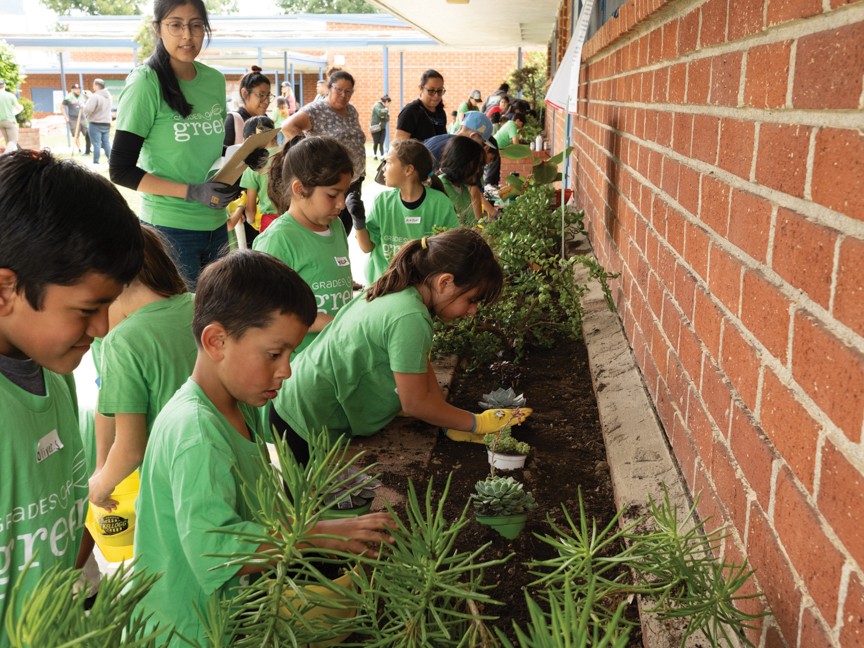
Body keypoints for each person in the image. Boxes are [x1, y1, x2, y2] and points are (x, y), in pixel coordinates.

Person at [133, 250, 394, 645]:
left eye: (290, 354)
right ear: (217, 341)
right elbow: (214, 549)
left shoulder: (236, 406)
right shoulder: (197, 432)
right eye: (274, 354)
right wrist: (318, 534)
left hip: (229, 612)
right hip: (191, 630)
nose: (286, 369)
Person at [0, 149, 144, 630]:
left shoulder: (53, 369)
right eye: (87, 310)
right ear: (5, 291)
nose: (102, 329)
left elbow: (68, 507)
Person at [269, 228, 533, 465]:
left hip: (300, 398)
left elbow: (418, 363)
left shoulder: (401, 291)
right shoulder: (410, 316)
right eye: (472, 299)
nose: (473, 311)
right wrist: (477, 422)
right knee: (307, 501)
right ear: (445, 282)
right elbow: (415, 403)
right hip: (305, 419)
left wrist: (448, 418)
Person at [109, 0, 263, 289]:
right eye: (176, 25)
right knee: (183, 315)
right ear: (158, 29)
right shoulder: (145, 83)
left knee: (217, 310)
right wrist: (191, 192)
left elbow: (209, 151)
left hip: (217, 225)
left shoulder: (213, 80)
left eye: (195, 25)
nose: (187, 35)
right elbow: (120, 170)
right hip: (169, 231)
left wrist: (243, 161)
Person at [88, 225, 196, 513]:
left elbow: (131, 449)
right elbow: (108, 400)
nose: (96, 326)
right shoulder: (202, 304)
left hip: (174, 485)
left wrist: (100, 486)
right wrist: (101, 465)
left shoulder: (122, 341)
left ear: (114, 288)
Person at [254, 136, 353, 354]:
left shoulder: (335, 226)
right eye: (332, 194)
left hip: (337, 355)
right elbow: (268, 312)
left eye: (344, 193)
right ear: (299, 189)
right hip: (301, 364)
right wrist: (335, 322)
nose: (341, 204)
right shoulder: (278, 240)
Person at [356, 138, 459, 285]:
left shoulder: (439, 203)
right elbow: (367, 248)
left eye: (389, 162)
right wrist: (358, 221)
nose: (383, 168)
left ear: (408, 170)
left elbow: (449, 250)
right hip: (381, 284)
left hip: (418, 285)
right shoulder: (382, 201)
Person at [279, 69, 366, 236]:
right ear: (329, 88)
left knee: (345, 227)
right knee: (327, 227)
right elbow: (288, 126)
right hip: (329, 182)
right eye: (339, 90)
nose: (343, 95)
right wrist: (309, 154)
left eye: (348, 91)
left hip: (353, 180)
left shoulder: (351, 111)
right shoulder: (317, 109)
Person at [235, 115, 278, 242]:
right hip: (297, 218)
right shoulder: (289, 154)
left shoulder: (254, 166)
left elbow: (251, 212)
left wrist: (250, 219)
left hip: (271, 224)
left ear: (251, 140)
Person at [438, 136, 486, 227]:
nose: (478, 170)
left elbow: (471, 223)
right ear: (462, 162)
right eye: (476, 164)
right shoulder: (441, 187)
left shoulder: (464, 189)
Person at [223, 66, 272, 149]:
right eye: (261, 95)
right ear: (244, 93)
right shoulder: (233, 120)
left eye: (268, 95)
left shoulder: (265, 121)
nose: (267, 101)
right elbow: (225, 155)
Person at [393, 69, 447, 142]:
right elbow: (399, 144)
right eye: (431, 91)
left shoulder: (440, 112)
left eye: (439, 91)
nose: (436, 95)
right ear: (421, 89)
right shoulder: (411, 111)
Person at [84, 78, 113, 165]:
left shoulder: (95, 96)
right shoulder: (109, 96)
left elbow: (88, 109)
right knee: (106, 142)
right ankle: (111, 160)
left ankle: (96, 161)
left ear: (97, 86)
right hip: (106, 122)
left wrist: (85, 103)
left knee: (96, 143)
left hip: (95, 123)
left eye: (93, 85)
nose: (93, 87)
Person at [62, 83, 91, 155]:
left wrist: (88, 95)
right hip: (73, 119)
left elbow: (90, 101)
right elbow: (62, 107)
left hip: (83, 118)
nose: (78, 90)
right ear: (72, 90)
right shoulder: (68, 97)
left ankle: (88, 149)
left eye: (78, 89)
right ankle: (79, 149)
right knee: (76, 134)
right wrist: (66, 117)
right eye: (76, 89)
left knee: (87, 133)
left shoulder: (83, 96)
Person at [0, 79, 22, 153]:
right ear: (4, 85)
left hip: (0, 122)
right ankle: (5, 156)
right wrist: (22, 107)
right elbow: (18, 108)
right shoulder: (10, 95)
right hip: (9, 121)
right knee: (13, 140)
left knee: (8, 142)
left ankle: (9, 157)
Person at [370, 94, 390, 160]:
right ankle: (375, 155)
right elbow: (380, 113)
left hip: (383, 127)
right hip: (376, 127)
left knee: (381, 143)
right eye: (388, 102)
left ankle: (382, 156)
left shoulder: (384, 108)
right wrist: (385, 111)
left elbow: (387, 118)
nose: (389, 104)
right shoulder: (377, 105)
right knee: (376, 143)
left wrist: (383, 116)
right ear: (386, 101)